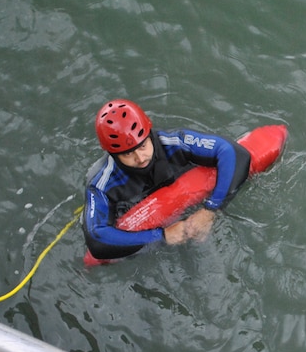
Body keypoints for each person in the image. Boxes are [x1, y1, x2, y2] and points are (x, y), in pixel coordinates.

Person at [83, 99, 251, 261]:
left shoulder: (174, 142)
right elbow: (97, 240)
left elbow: (233, 153)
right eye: (128, 154)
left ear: (149, 134)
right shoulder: (101, 185)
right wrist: (161, 236)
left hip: (196, 207)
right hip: (148, 229)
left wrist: (211, 209)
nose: (140, 158)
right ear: (113, 154)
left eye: (143, 146)